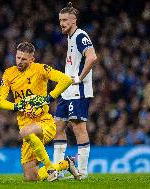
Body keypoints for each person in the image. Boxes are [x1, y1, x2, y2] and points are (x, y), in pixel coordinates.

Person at [0, 42, 78, 181]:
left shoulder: (40, 69)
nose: (19, 61)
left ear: (31, 59)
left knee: (25, 132)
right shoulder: (9, 73)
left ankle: (49, 168)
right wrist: (18, 106)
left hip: (44, 122)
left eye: (23, 59)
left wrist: (48, 98)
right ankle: (65, 164)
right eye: (17, 57)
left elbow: (65, 80)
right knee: (31, 178)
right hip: (25, 125)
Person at [53, 2, 97, 180]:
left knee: (79, 128)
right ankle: (57, 170)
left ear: (74, 20)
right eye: (60, 20)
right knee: (58, 127)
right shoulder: (70, 37)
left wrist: (80, 77)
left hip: (78, 90)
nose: (61, 23)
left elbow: (92, 57)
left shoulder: (80, 35)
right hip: (67, 90)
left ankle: (83, 171)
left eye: (65, 20)